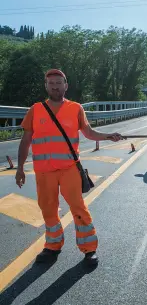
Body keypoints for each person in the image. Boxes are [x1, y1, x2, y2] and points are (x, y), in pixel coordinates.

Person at [15, 69, 124, 265]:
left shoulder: (76, 108)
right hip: (44, 170)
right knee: (48, 208)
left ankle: (89, 249)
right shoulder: (35, 110)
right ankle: (52, 246)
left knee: (78, 207)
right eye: (51, 83)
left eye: (59, 82)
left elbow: (89, 133)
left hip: (69, 169)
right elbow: (25, 141)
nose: (55, 86)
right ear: (46, 86)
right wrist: (20, 168)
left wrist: (109, 136)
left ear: (66, 85)